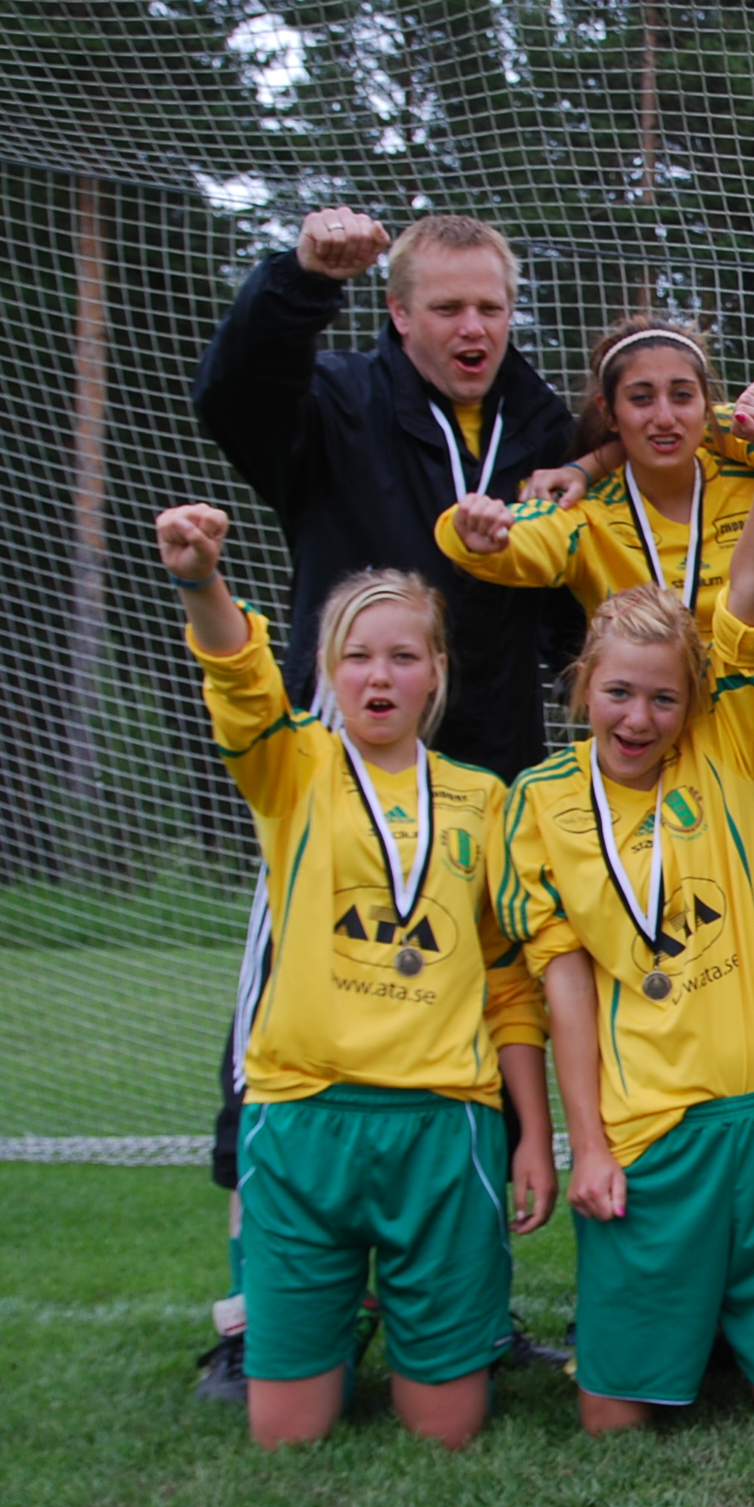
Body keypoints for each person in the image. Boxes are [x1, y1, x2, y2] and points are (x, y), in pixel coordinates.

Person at [188, 208, 578, 1402]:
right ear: (399, 314)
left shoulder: (541, 427)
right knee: (282, 1029)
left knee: (480, 1023)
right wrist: (302, 280)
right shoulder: (340, 403)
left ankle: (464, 1308)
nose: (473, 328)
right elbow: (232, 396)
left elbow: (574, 566)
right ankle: (257, 1316)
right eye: (447, 307)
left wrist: (580, 493)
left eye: (491, 307)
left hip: (488, 773)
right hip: (341, 773)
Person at [155, 510, 554, 1449]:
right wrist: (202, 580)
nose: (380, 677)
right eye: (359, 658)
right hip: (305, 1119)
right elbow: (239, 677)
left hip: (443, 1127)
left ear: (437, 671)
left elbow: (508, 985)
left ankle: (411, 1317)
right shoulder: (292, 767)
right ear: (330, 672)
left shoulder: (484, 800)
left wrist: (534, 1138)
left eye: (403, 657)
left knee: (447, 1429)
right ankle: (328, 1316)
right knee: (287, 1433)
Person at [497, 432, 754, 1434]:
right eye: (619, 692)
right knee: (613, 1417)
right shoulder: (540, 803)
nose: (640, 717)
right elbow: (564, 985)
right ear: (583, 686)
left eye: (663, 697)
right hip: (651, 1124)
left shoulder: (724, 746)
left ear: (693, 702)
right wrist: (587, 1146)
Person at [437, 320, 754, 637]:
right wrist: (466, 529)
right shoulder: (586, 512)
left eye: (682, 396)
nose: (664, 417)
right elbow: (519, 537)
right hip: (645, 695)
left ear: (707, 405)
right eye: (641, 399)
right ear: (608, 413)